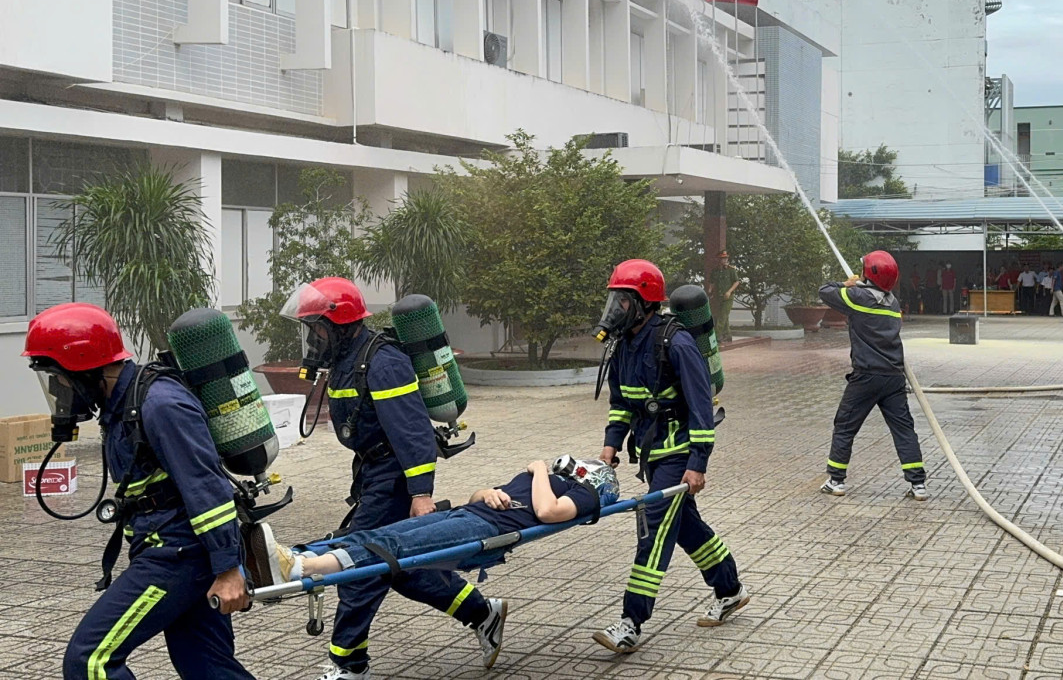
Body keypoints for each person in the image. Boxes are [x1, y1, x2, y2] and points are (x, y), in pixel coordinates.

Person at [283, 277, 502, 679]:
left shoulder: (383, 362)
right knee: (403, 570)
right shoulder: (346, 362)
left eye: (316, 328)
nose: (312, 338)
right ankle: (483, 613)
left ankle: (348, 665)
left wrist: (421, 494)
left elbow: (414, 432)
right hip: (372, 474)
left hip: (395, 477)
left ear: (340, 324)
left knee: (358, 565)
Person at [23, 303, 255, 680]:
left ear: (83, 365)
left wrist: (229, 568)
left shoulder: (160, 403)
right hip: (169, 550)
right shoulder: (123, 404)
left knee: (91, 661)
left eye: (57, 377)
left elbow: (207, 488)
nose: (57, 389)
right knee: (206, 665)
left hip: (178, 557)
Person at [595, 259, 746, 653]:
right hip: (651, 453)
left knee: (654, 530)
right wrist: (611, 444)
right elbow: (621, 404)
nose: (615, 310)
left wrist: (698, 463)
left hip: (678, 453)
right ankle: (729, 589)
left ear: (644, 303)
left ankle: (631, 621)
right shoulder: (624, 346)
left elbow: (701, 409)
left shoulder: (675, 343)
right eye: (613, 300)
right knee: (683, 526)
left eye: (622, 302)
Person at [252, 456, 618, 615]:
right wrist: (485, 492)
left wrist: (539, 470)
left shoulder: (584, 494)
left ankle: (302, 569)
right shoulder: (551, 482)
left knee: (395, 547)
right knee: (381, 532)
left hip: (488, 529)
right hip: (471, 512)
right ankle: (289, 557)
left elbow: (548, 513)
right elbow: (481, 496)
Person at [819, 250, 928, 501]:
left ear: (868, 273)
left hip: (866, 377)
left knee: (845, 425)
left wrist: (846, 284)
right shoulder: (893, 303)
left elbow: (825, 291)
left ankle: (836, 480)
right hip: (893, 377)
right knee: (904, 429)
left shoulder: (857, 296)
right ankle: (918, 484)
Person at [706, 251, 743, 343]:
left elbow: (736, 282)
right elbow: (712, 282)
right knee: (723, 316)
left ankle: (716, 337)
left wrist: (729, 291)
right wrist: (710, 291)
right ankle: (728, 335)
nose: (725, 260)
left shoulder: (731, 270)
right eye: (723, 258)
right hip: (718, 296)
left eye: (726, 258)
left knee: (722, 317)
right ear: (719, 260)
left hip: (728, 297)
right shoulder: (715, 271)